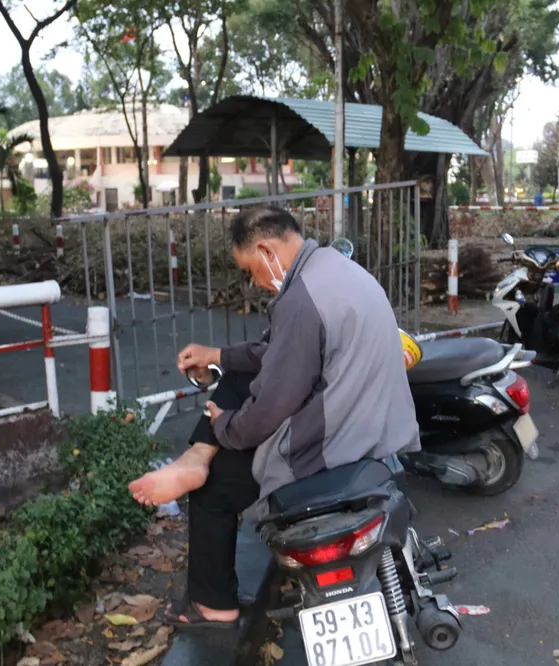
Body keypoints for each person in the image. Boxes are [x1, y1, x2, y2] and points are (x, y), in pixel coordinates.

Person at [128, 205, 420, 630]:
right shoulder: (337, 271)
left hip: (331, 446)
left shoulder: (301, 299)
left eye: (250, 270)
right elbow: (283, 356)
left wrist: (224, 425)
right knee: (237, 374)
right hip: (376, 427)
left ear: (266, 250)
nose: (255, 282)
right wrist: (219, 355)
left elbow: (269, 409)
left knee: (212, 491)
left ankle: (212, 603)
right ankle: (196, 456)